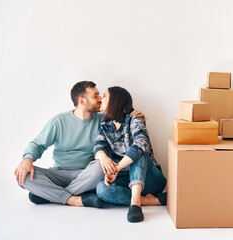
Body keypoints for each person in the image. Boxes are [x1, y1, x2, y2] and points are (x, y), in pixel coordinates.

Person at [14, 81, 145, 208]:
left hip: (88, 175)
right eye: (95, 95)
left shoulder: (103, 120)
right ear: (82, 101)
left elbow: (121, 118)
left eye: (100, 95)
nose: (100, 99)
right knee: (23, 175)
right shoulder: (59, 121)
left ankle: (51, 196)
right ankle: (74, 200)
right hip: (58, 174)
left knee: (101, 165)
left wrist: (135, 115)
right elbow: (37, 144)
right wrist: (27, 159)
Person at [94, 86, 167, 223]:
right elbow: (98, 146)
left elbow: (141, 143)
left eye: (104, 96)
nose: (101, 99)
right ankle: (149, 200)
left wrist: (117, 167)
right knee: (101, 189)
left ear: (115, 101)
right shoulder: (105, 125)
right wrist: (103, 157)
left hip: (149, 177)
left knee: (138, 153)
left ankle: (135, 204)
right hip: (126, 179)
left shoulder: (134, 119)